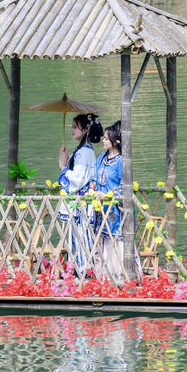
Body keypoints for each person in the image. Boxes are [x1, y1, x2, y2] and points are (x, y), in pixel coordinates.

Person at [58, 113, 103, 275]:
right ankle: (80, 269)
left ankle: (82, 270)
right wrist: (67, 158)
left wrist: (64, 167)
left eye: (75, 127)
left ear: (85, 130)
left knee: (81, 237)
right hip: (82, 203)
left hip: (81, 203)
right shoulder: (83, 151)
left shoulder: (84, 152)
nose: (72, 130)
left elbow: (77, 179)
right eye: (72, 126)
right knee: (80, 236)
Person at [93, 121, 125, 280]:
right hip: (100, 208)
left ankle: (118, 274)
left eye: (106, 138)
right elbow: (93, 177)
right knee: (101, 239)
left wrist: (108, 195)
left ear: (115, 142)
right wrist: (93, 190)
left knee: (115, 241)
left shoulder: (121, 161)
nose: (103, 141)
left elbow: (123, 185)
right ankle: (102, 274)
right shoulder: (101, 158)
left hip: (114, 209)